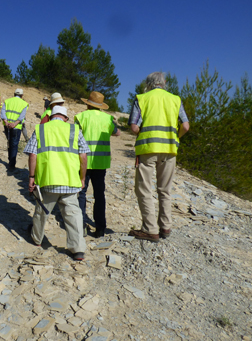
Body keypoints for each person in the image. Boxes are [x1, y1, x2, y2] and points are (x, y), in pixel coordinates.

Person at [128, 71, 190, 242]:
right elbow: (185, 126)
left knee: (144, 189)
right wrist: (175, 137)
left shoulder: (142, 98)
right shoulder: (175, 99)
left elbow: (133, 127)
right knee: (165, 190)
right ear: (164, 82)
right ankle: (165, 227)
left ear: (148, 83)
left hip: (148, 149)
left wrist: (145, 136)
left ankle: (150, 229)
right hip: (169, 150)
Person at [24, 106, 89, 261]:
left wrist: (31, 177)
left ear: (51, 116)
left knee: (42, 211)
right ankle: (78, 249)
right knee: (73, 215)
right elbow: (83, 156)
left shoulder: (41, 129)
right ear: (65, 118)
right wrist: (82, 178)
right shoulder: (74, 130)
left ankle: (37, 239)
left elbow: (33, 155)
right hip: (70, 181)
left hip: (48, 180)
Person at [75, 92, 121, 238]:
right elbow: (118, 133)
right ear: (100, 106)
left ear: (88, 103)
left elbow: (73, 135)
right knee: (99, 195)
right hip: (101, 163)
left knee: (81, 192)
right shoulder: (107, 118)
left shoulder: (81, 117)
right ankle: (100, 228)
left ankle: (80, 225)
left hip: (84, 161)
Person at [1, 88, 28, 170]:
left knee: (9, 142)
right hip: (16, 127)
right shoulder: (24, 104)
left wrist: (6, 122)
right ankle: (12, 165)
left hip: (7, 126)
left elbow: (3, 113)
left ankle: (10, 161)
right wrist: (14, 124)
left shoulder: (7, 101)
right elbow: (21, 116)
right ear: (22, 95)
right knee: (14, 145)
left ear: (14, 94)